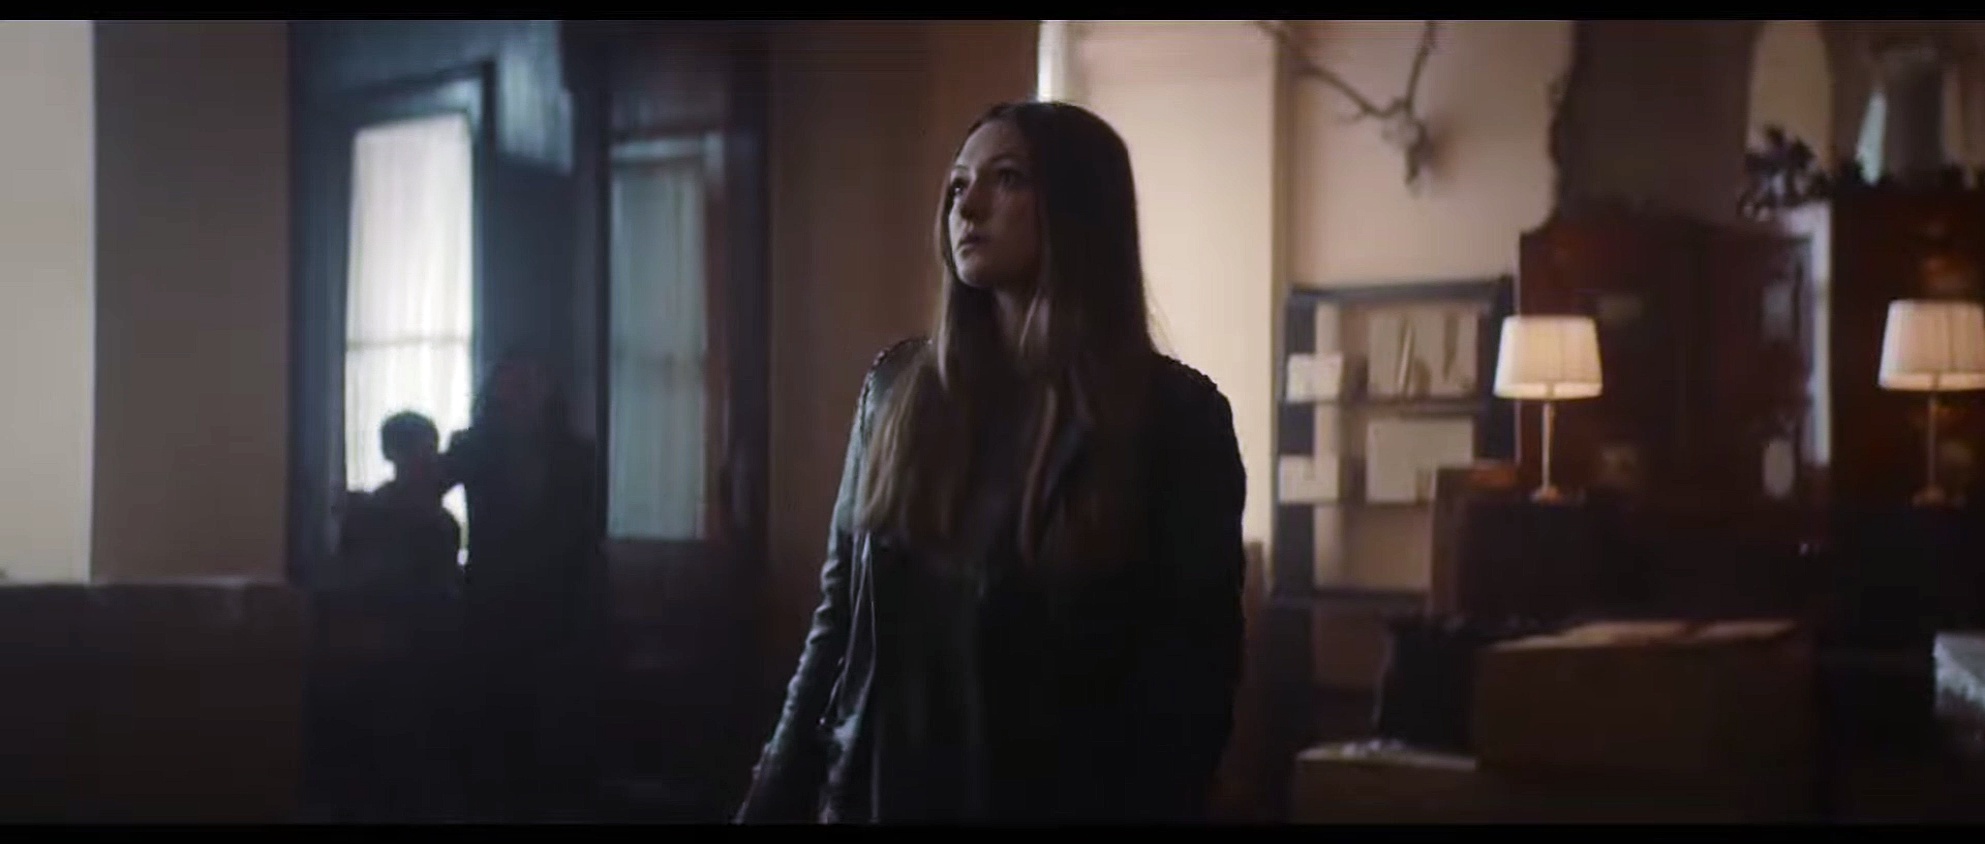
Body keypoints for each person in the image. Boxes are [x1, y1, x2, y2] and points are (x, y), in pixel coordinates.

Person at [735, 100, 1247, 825]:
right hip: (880, 800)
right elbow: (838, 623)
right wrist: (770, 797)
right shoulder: (898, 390)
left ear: (1079, 209)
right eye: (957, 185)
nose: (967, 206)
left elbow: (1193, 686)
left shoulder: (1175, 417)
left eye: (1006, 179)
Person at [444, 348, 608, 821]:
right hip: (491, 604)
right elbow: (428, 483)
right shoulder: (473, 445)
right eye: (510, 382)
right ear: (494, 390)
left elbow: (588, 533)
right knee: (489, 722)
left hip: (559, 605)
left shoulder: (578, 454)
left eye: (530, 382)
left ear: (549, 389)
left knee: (551, 727)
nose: (520, 392)